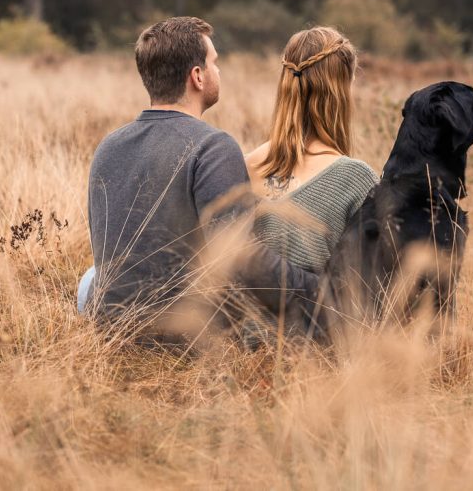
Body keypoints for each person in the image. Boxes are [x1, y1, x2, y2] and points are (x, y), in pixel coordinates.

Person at [77, 17, 321, 339]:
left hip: (109, 322)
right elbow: (242, 260)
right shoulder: (213, 147)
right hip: (183, 333)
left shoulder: (108, 146)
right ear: (197, 76)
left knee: (89, 278)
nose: (218, 70)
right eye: (214, 63)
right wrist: (322, 291)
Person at [245, 27, 379, 275]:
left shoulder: (244, 166)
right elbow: (370, 286)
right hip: (317, 302)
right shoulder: (357, 179)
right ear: (340, 92)